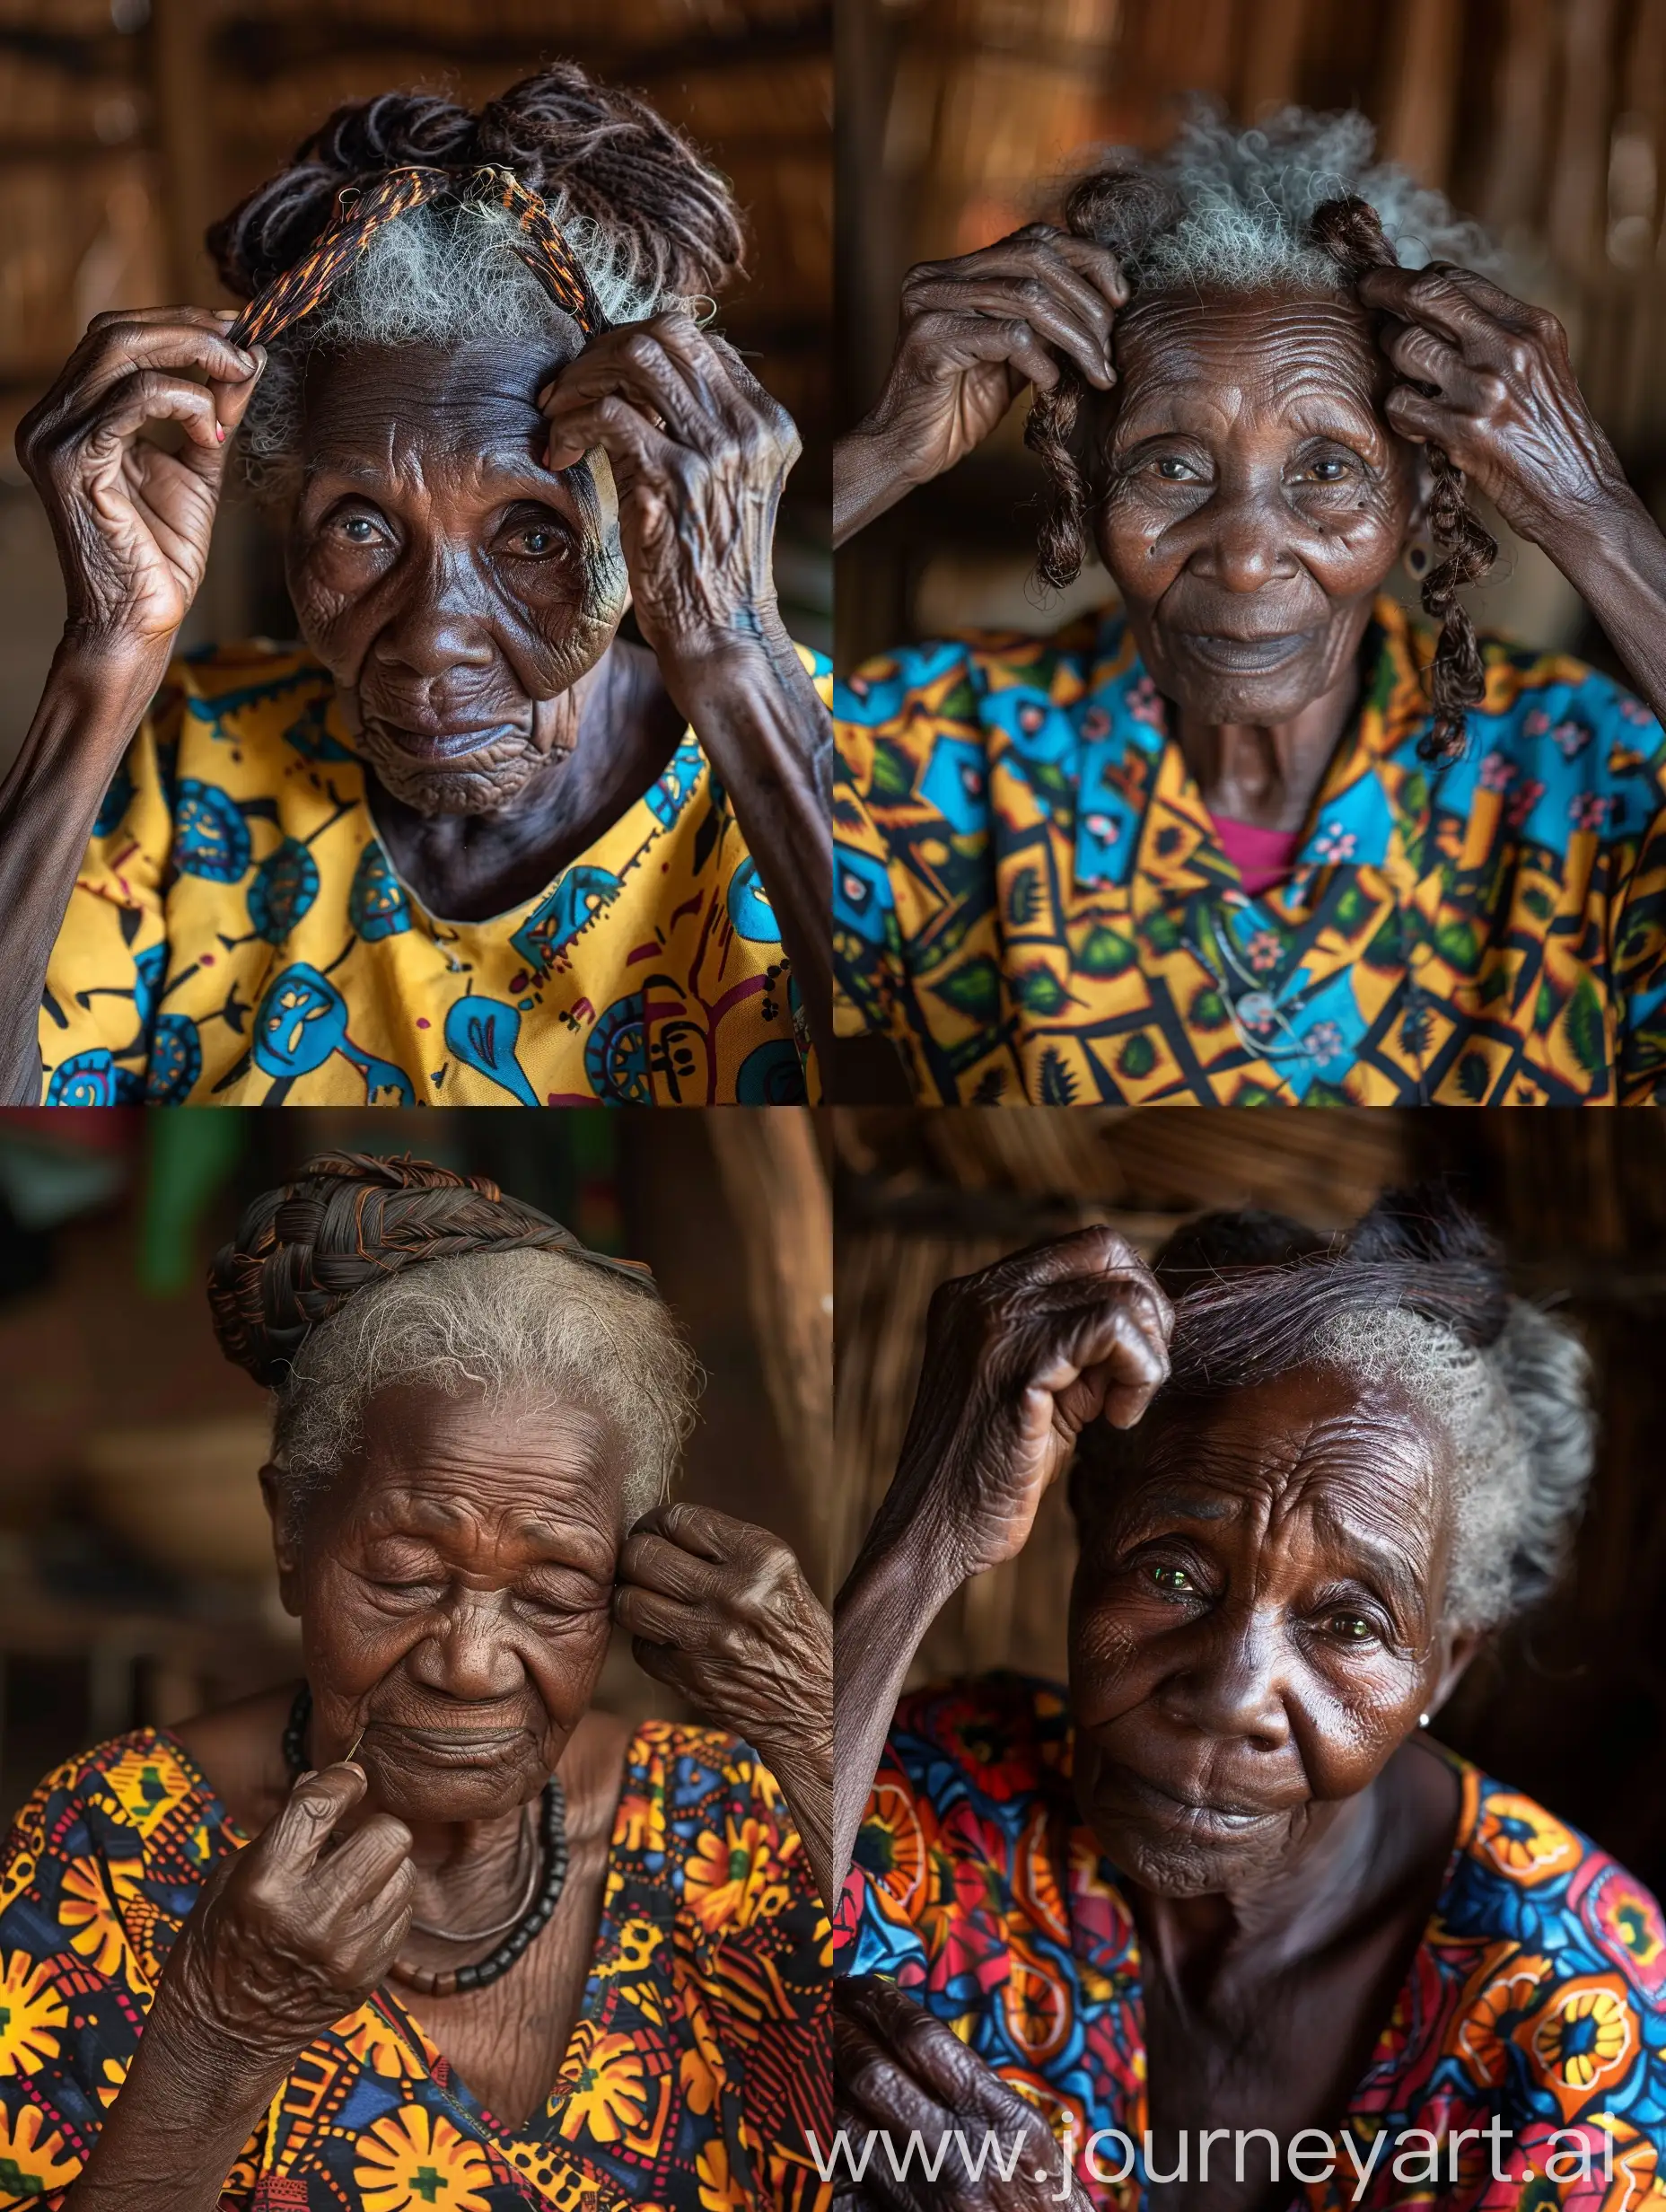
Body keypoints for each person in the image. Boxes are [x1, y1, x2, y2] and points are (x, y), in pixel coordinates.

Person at [0, 1152, 832, 2212]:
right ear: (291, 1533)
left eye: (551, 1593)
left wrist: (816, 1733)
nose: (469, 1660)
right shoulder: (108, 1850)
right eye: (404, 1577)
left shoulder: (729, 1822)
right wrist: (214, 2041)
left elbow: (957, 2140)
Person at [3, 66, 830, 1109]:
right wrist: (105, 651)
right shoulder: (193, 749)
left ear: (643, 512)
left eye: (531, 534)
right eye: (359, 526)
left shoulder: (819, 748)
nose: (432, 635)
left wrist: (735, 652)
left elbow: (902, 1100)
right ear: (281, 519)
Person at [831, 1192, 1666, 2211]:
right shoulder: (943, 1790)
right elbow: (689, 1966)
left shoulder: (1575, 2009)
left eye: (1348, 1625)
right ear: (1087, 1532)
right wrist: (927, 1532)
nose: (1228, 1695)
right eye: (1173, 1574)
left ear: (1442, 1668)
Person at [832, 105, 1666, 1105]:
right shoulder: (941, 753)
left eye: (1324, 468)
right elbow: (655, 827)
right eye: (1168, 464)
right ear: (1089, 490)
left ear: (1413, 502)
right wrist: (883, 452)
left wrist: (1592, 515)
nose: (1240, 555)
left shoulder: (1584, 763)